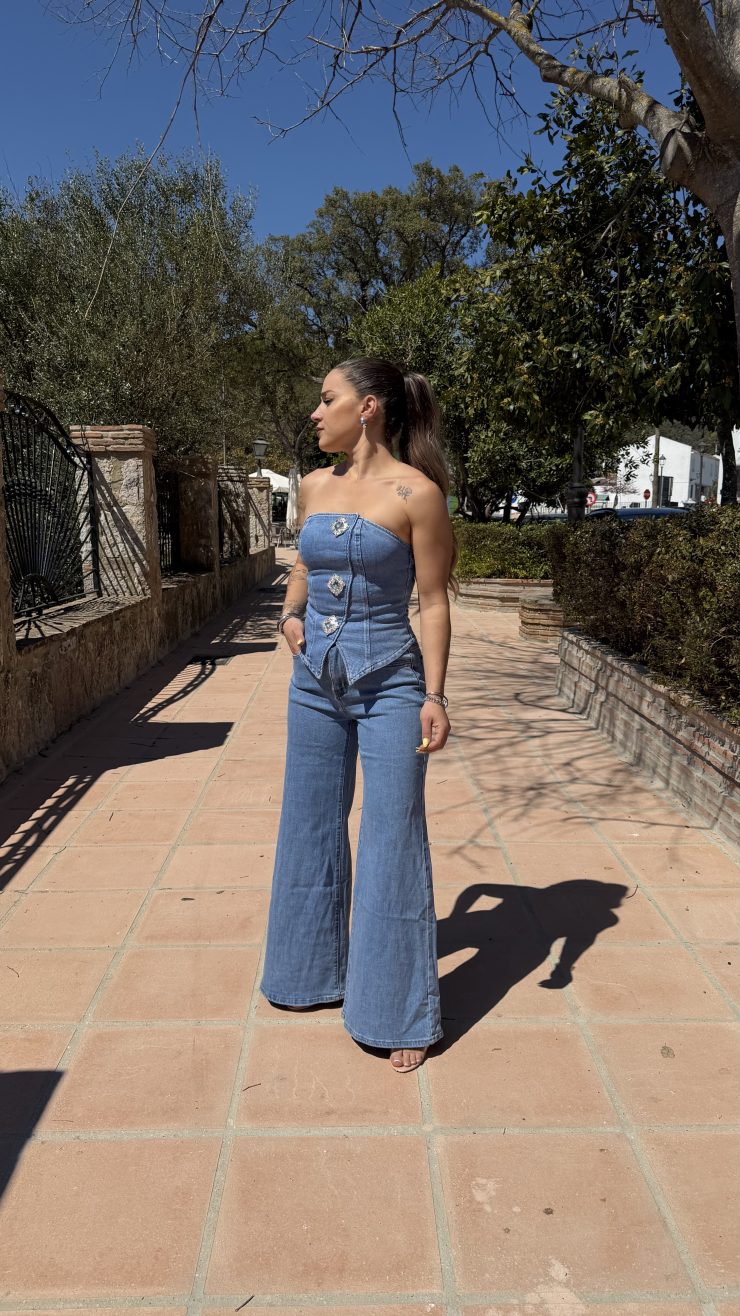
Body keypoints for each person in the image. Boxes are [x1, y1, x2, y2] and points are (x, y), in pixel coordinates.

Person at [260, 358, 457, 1073]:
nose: (316, 413)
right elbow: (304, 566)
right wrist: (289, 615)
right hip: (314, 683)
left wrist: (434, 695)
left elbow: (432, 601)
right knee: (309, 821)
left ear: (368, 407)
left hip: (391, 685)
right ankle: (309, 973)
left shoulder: (417, 494)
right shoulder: (314, 485)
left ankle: (396, 1008)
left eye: (327, 399)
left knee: (391, 835)